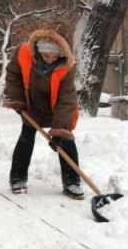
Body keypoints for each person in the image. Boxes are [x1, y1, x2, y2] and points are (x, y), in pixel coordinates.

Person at [5, 26, 83, 200]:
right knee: (26, 137)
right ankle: (18, 178)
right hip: (31, 104)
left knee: (65, 139)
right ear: (38, 52)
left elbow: (67, 99)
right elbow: (13, 75)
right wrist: (17, 99)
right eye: (46, 56)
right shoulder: (24, 53)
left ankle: (72, 181)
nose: (50, 60)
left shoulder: (67, 65)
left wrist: (59, 129)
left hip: (57, 106)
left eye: (55, 57)